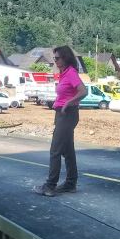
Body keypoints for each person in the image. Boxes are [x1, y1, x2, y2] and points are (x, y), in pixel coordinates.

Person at [34, 46, 88, 197]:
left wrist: (67, 103)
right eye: (54, 58)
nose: (55, 60)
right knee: (67, 151)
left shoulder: (71, 73)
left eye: (58, 58)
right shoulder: (63, 74)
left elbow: (83, 91)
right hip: (62, 115)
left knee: (55, 150)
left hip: (68, 114)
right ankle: (71, 183)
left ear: (66, 58)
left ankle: (50, 186)